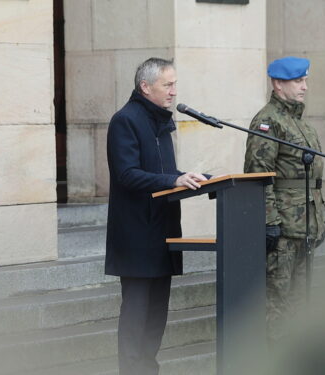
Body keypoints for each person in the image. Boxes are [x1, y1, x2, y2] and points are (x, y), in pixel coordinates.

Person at [105, 57, 208, 375]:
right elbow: (127, 174)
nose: (174, 91)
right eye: (168, 84)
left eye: (175, 84)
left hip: (162, 231)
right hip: (136, 235)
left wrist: (186, 177)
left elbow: (161, 172)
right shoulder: (126, 120)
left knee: (156, 318)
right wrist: (172, 180)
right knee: (137, 317)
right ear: (145, 87)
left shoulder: (159, 121)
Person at [243, 56, 325, 345]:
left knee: (300, 303)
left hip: (304, 226)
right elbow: (258, 175)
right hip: (283, 229)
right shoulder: (268, 121)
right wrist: (269, 222)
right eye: (298, 81)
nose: (305, 86)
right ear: (278, 84)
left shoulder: (297, 121)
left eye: (305, 80)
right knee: (277, 303)